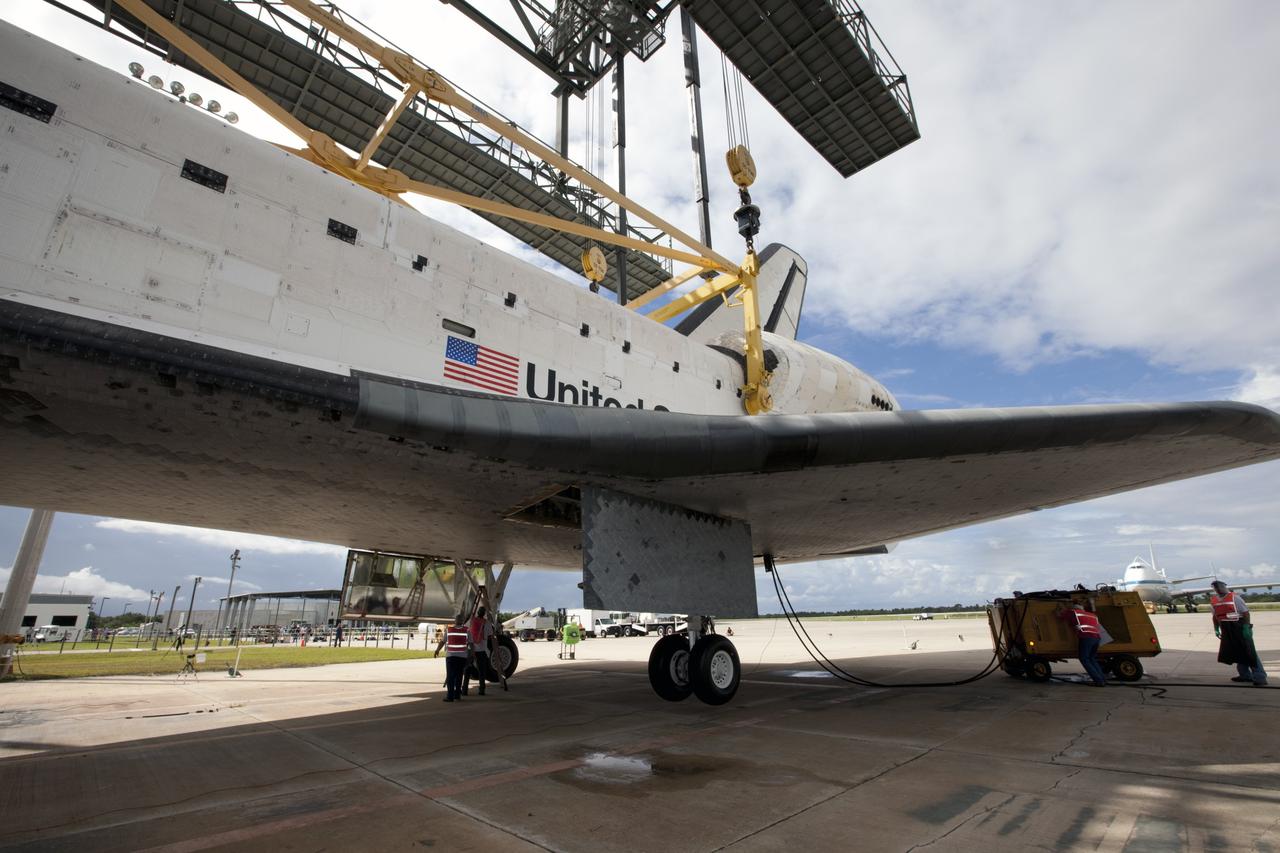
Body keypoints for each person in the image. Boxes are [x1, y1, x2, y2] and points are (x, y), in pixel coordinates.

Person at [1211, 581, 1267, 686]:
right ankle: (1245, 675)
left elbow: (1245, 612)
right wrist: (1216, 628)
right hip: (1226, 627)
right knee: (1237, 650)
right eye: (1215, 587)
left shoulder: (1235, 598)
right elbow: (1215, 616)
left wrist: (1246, 627)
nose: (1218, 588)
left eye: (1219, 586)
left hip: (1239, 625)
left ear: (1225, 586)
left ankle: (1260, 676)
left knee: (1249, 651)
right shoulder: (1214, 600)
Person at [1058, 601, 1106, 686]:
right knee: (1092, 658)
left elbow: (1060, 616)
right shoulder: (1092, 615)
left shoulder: (1073, 612)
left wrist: (1059, 608)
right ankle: (1102, 679)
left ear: (1074, 607)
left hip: (1086, 637)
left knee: (1084, 659)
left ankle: (1099, 681)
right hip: (1097, 638)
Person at [433, 614, 470, 702]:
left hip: (451, 656)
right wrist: (471, 655)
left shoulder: (449, 630)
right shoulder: (467, 630)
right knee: (459, 676)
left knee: (450, 676)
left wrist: (437, 650)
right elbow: (471, 644)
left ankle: (450, 696)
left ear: (455, 621)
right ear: (463, 621)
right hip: (462, 657)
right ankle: (457, 695)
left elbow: (442, 642)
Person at [467, 606, 494, 696]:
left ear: (477, 612)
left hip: (471, 649)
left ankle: (464, 690)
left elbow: (467, 630)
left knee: (467, 670)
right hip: (482, 650)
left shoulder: (472, 620)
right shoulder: (487, 623)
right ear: (484, 614)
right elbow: (490, 635)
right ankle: (481, 690)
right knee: (482, 672)